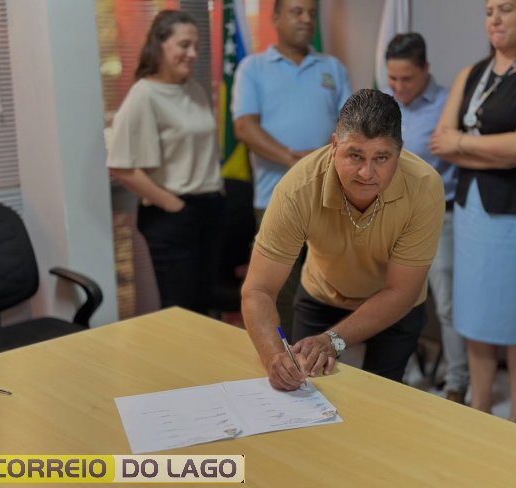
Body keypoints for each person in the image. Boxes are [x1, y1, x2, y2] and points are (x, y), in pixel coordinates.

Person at [241, 89, 445, 391]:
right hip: (322, 293)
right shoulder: (298, 188)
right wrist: (273, 357)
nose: (366, 172)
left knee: (381, 398)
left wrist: (333, 340)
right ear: (334, 145)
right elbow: (258, 289)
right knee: (304, 389)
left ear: (399, 153)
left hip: (394, 304)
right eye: (355, 155)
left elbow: (401, 291)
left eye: (382, 158)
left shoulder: (424, 188)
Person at [429, 0, 516, 425]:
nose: (495, 19)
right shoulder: (471, 74)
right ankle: (480, 408)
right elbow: (439, 142)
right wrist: (500, 153)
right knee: (476, 314)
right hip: (472, 211)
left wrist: (464, 144)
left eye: (505, 9)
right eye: (489, 11)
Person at [232, 0, 351, 336]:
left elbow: (350, 125)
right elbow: (244, 127)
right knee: (279, 291)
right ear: (275, 18)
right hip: (274, 199)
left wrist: (322, 161)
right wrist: (294, 160)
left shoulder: (332, 68)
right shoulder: (253, 68)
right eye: (297, 12)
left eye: (311, 13)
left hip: (328, 199)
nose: (306, 19)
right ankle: (284, 357)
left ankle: (319, 355)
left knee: (325, 288)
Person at [106, 10, 224, 315]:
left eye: (196, 46)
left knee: (205, 307)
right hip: (172, 215)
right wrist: (175, 206)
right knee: (181, 312)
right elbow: (120, 166)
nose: (193, 53)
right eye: (184, 45)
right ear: (159, 44)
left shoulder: (194, 89)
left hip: (209, 208)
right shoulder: (143, 95)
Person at [385, 33, 469, 403]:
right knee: (395, 300)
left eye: (407, 78)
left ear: (425, 70)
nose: (399, 86)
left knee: (448, 305)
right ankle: (396, 374)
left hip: (440, 218)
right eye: (392, 78)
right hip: (395, 216)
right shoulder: (386, 103)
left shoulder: (449, 104)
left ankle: (456, 382)